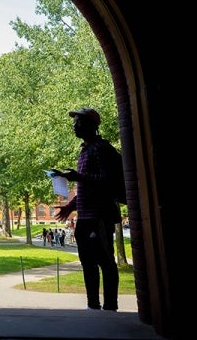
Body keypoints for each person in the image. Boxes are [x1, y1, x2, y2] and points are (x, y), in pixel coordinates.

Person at [53, 107, 121, 311]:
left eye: (78, 122)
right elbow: (85, 188)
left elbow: (106, 180)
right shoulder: (85, 150)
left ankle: (110, 307)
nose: (74, 126)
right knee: (88, 263)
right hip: (84, 218)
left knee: (106, 262)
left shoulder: (100, 149)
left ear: (92, 125)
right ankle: (93, 305)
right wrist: (70, 207)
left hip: (99, 217)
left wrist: (77, 177)